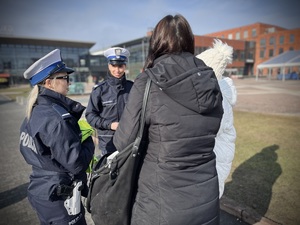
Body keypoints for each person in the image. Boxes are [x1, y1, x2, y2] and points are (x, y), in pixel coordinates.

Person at [113, 14, 223, 225]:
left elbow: (122, 141)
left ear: (157, 42)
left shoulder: (148, 81)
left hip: (159, 201)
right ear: (189, 41)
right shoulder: (210, 80)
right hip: (205, 198)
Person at [19, 49, 95, 225]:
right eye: (65, 77)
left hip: (42, 191)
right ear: (49, 83)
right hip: (60, 198)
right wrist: (88, 139)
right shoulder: (56, 118)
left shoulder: (33, 112)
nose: (69, 82)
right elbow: (77, 164)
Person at [196, 39, 237, 198]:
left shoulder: (216, 98)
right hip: (217, 154)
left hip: (215, 157)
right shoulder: (218, 93)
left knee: (207, 200)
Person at [85, 47, 133, 156]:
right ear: (108, 65)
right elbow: (90, 116)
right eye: (113, 66)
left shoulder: (133, 88)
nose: (117, 70)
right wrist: (110, 125)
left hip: (129, 140)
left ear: (125, 66)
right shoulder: (99, 90)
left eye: (120, 66)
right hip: (108, 143)